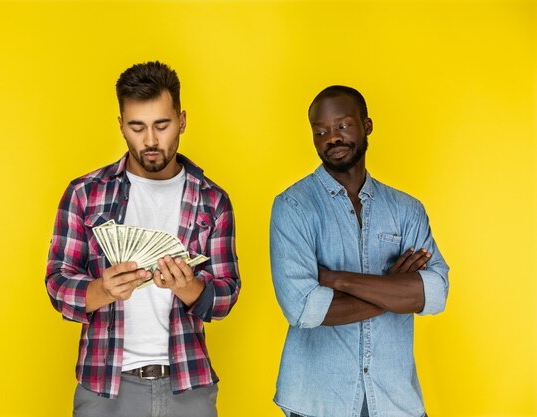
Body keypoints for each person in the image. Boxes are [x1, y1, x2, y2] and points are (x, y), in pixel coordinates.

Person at [45, 61, 240, 417]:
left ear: (181, 120)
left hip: (188, 386)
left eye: (161, 125)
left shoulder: (213, 200)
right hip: (105, 387)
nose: (150, 140)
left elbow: (227, 294)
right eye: (137, 127)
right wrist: (101, 290)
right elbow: (57, 283)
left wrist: (190, 288)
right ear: (121, 125)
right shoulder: (84, 194)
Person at [270, 85, 449, 417]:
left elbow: (435, 294)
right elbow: (305, 310)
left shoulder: (407, 209)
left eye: (342, 125)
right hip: (317, 403)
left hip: (396, 400)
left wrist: (338, 280)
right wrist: (395, 289)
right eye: (320, 131)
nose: (332, 138)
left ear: (366, 126)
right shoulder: (293, 207)